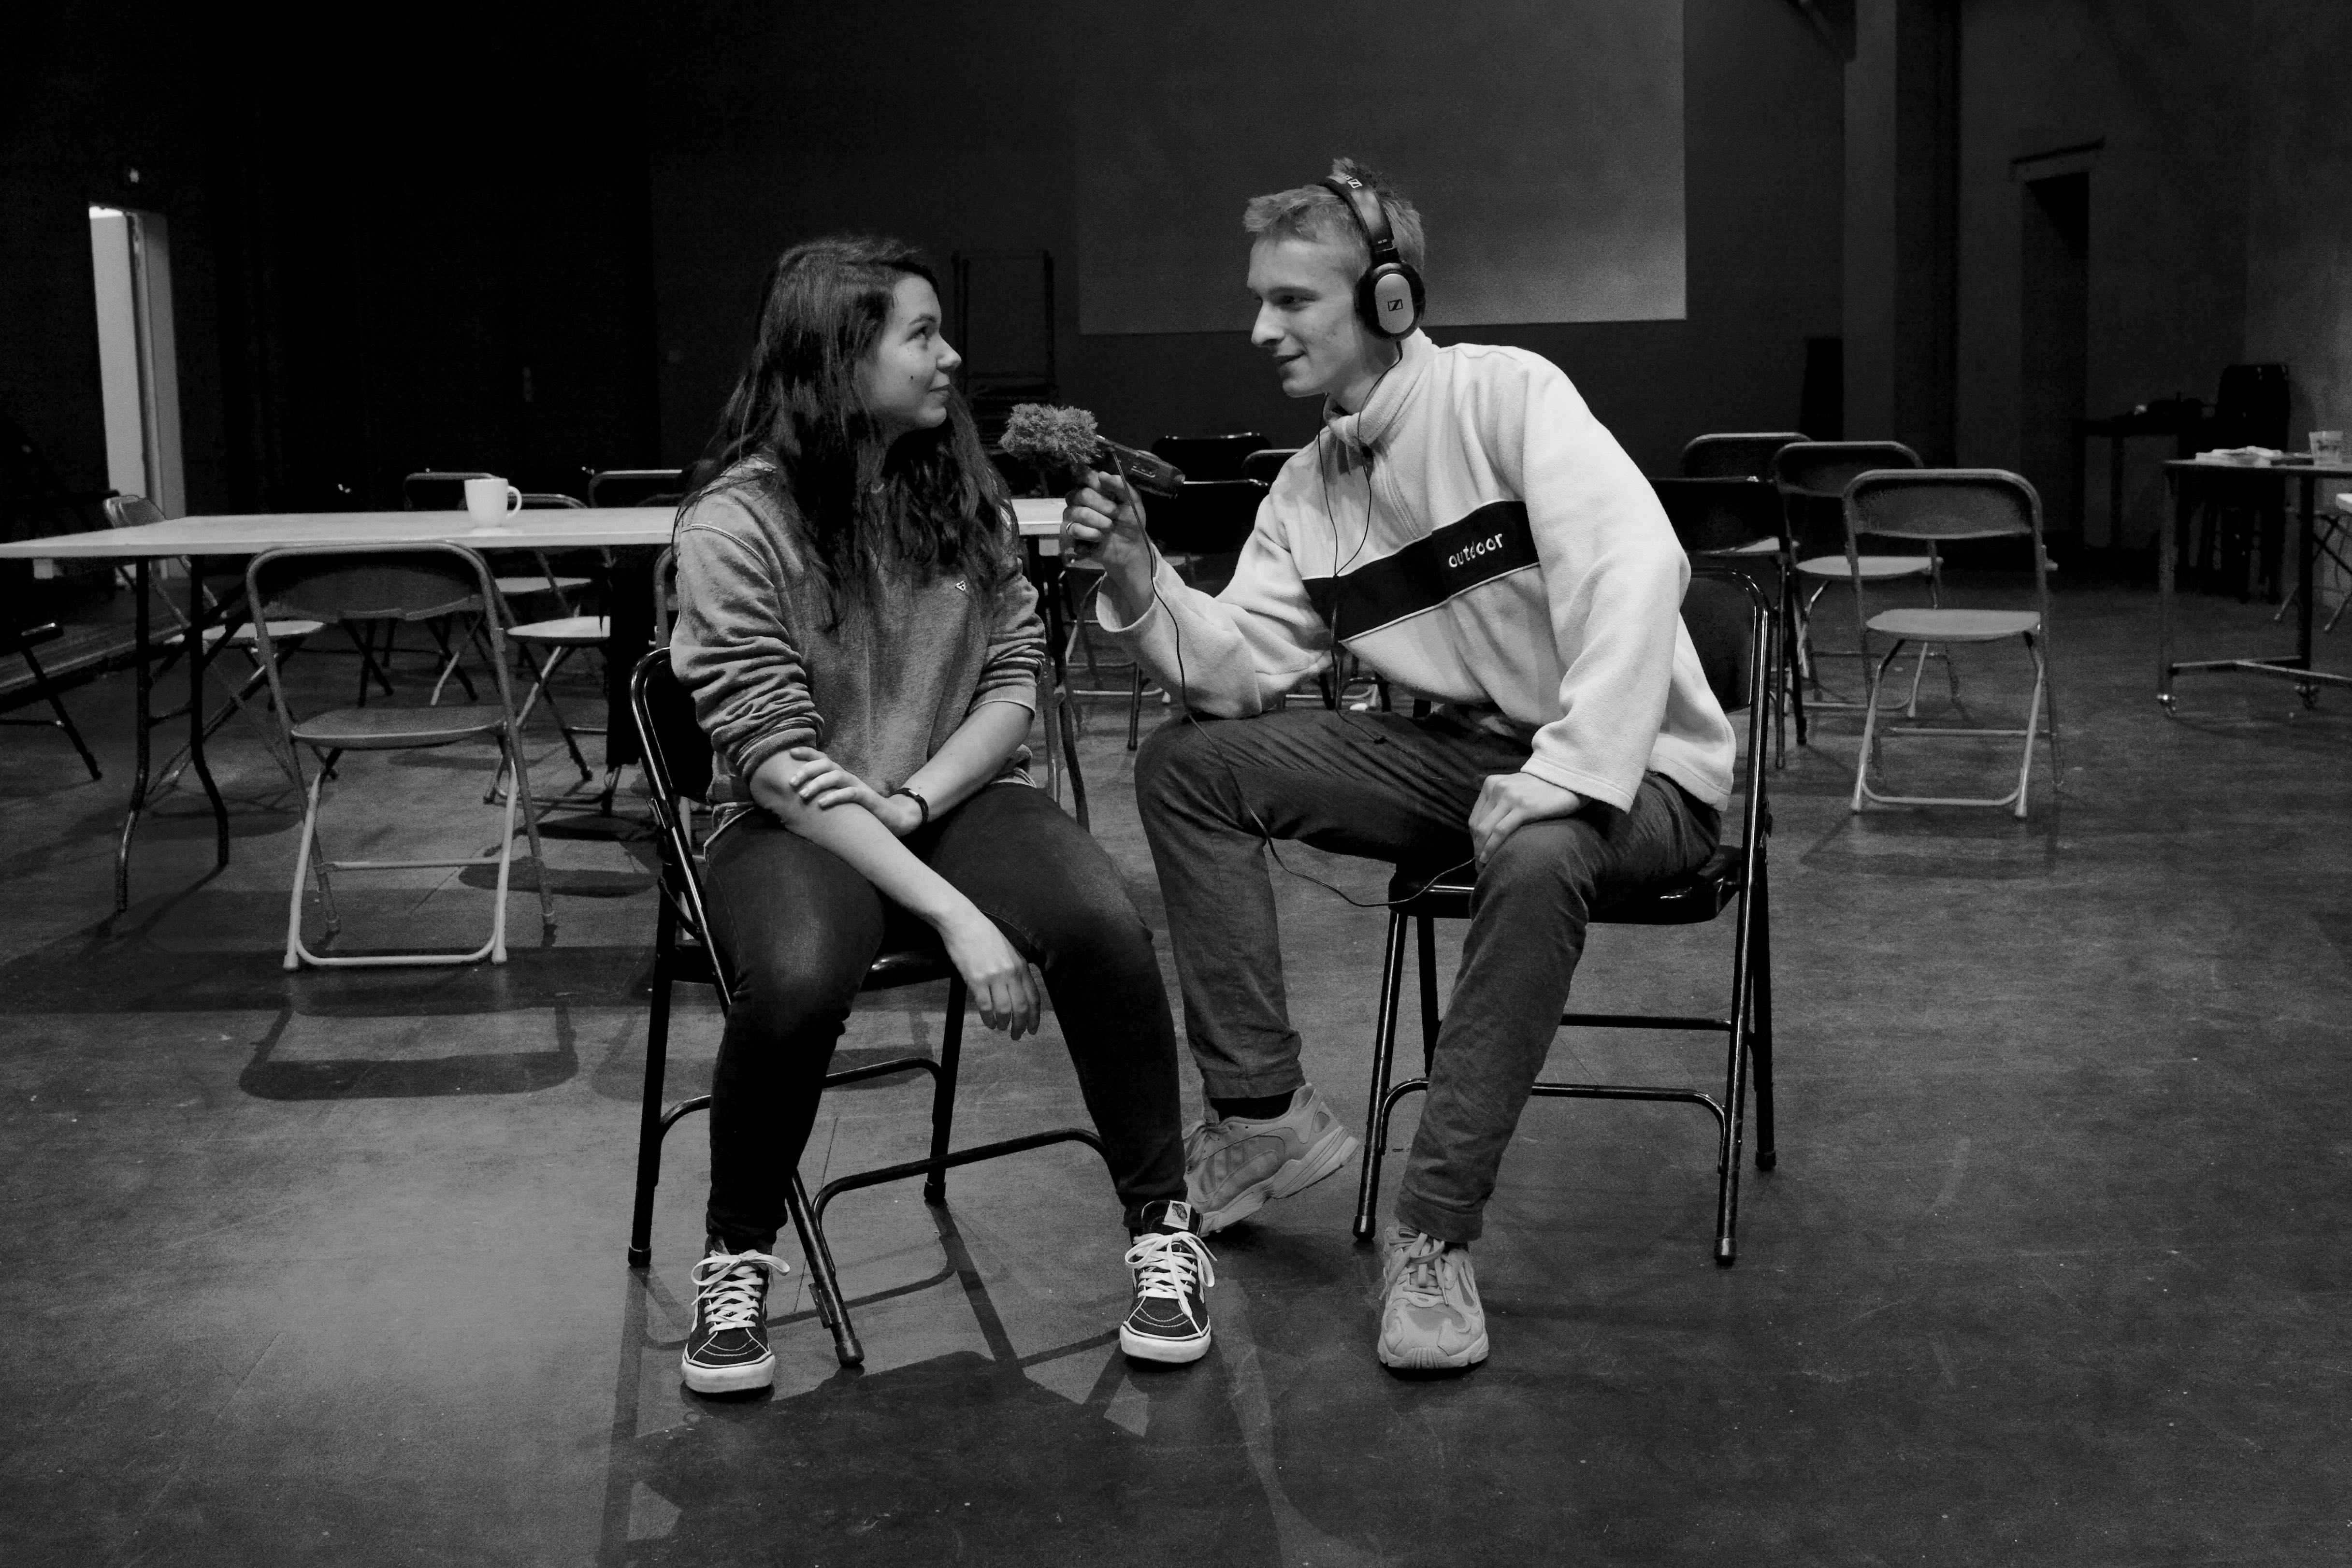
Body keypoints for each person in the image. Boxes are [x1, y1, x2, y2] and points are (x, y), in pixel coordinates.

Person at [1062, 162, 1734, 1373]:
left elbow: (1637, 565)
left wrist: (1574, 767)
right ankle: (1262, 1118)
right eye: (1259, 300)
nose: (1260, 329)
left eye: (1291, 301)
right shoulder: (1306, 491)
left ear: (1387, 300)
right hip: (1462, 765)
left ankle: (1433, 1233)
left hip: (1641, 781)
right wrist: (1135, 575)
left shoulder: (1508, 397)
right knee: (1188, 767)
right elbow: (1230, 677)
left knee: (1538, 848)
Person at [667, 235, 1212, 1395]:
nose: (951, 356)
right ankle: (735, 1259)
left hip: (949, 795)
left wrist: (918, 798)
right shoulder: (735, 525)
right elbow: (776, 764)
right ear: (837, 358)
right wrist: (960, 919)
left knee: (1104, 926)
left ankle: (1165, 1232)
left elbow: (1015, 679)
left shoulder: (958, 494)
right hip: (791, 823)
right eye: (921, 335)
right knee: (798, 980)